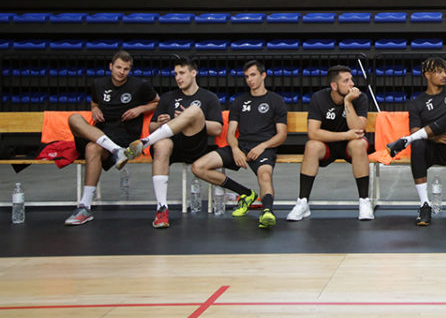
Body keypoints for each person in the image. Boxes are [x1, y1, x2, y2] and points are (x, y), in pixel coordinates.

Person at [122, 55, 223, 229]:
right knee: (161, 144)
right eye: (176, 74)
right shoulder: (168, 97)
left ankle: (144, 143)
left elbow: (217, 129)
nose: (178, 78)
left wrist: (189, 120)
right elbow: (152, 126)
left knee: (193, 112)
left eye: (182, 73)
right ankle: (162, 208)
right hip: (170, 146)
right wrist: (162, 123)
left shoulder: (209, 97)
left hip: (194, 145)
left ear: (193, 73)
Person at [64, 51, 158, 226]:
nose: (121, 72)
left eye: (126, 69)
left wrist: (139, 110)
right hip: (101, 131)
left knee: (92, 148)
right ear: (111, 66)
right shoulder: (98, 84)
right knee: (74, 118)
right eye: (118, 67)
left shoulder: (140, 85)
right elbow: (94, 102)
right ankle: (117, 151)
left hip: (124, 133)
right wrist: (95, 109)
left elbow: (157, 102)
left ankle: (84, 207)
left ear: (130, 70)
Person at [191, 60, 288, 229]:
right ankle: (246, 194)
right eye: (246, 77)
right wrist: (235, 149)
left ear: (263, 75)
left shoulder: (276, 100)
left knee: (265, 175)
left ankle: (267, 211)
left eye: (253, 75)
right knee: (198, 167)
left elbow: (281, 135)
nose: (250, 79)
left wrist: (263, 146)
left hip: (264, 148)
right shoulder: (239, 101)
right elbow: (230, 133)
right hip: (241, 147)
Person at [386, 57, 446, 226]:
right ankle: (425, 205)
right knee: (418, 143)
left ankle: (404, 141)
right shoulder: (417, 103)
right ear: (427, 75)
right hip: (429, 148)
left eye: (444, 71)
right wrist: (434, 137)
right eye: (439, 72)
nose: (444, 75)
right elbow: (415, 130)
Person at [287, 65, 373, 222]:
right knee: (311, 145)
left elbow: (359, 129)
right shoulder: (319, 98)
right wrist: (344, 135)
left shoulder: (360, 98)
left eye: (351, 80)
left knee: (359, 144)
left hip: (350, 146)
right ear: (334, 85)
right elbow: (313, 133)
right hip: (327, 145)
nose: (352, 84)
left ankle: (364, 201)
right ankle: (303, 202)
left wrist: (348, 102)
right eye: (346, 81)